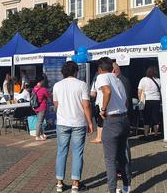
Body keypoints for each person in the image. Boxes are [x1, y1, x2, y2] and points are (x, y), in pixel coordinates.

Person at [53, 61, 94, 193]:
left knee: (61, 152)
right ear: (76, 72)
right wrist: (90, 122)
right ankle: (75, 184)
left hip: (62, 122)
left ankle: (59, 183)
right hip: (78, 123)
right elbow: (86, 105)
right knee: (77, 153)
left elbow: (56, 104)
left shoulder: (57, 86)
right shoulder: (82, 85)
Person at [96, 57, 131, 193]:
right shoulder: (118, 80)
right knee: (122, 156)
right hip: (124, 119)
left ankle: (112, 190)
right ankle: (126, 187)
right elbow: (126, 101)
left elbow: (107, 91)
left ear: (100, 69)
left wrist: (103, 109)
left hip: (112, 120)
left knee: (110, 159)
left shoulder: (102, 77)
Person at [138, 66, 161, 139]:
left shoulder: (143, 80)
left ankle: (146, 135)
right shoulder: (158, 80)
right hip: (157, 100)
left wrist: (140, 100)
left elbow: (139, 91)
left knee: (146, 117)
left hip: (147, 100)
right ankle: (156, 134)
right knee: (155, 117)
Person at [32, 74, 50, 141]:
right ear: (42, 81)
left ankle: (42, 134)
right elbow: (49, 96)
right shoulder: (43, 89)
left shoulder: (35, 88)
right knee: (40, 122)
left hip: (36, 107)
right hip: (42, 107)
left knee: (40, 121)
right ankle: (37, 136)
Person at [90, 73, 103, 143]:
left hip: (100, 103)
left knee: (100, 121)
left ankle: (99, 137)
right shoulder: (114, 79)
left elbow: (92, 94)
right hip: (112, 104)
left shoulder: (96, 80)